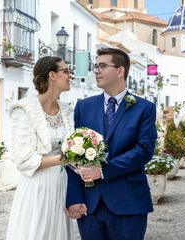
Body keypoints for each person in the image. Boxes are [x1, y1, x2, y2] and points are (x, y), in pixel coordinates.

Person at [66, 48, 157, 240]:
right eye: (95, 66)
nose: (96, 71)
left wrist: (103, 170)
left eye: (102, 66)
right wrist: (74, 198)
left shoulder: (144, 108)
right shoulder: (84, 106)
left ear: (120, 71)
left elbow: (144, 151)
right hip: (90, 204)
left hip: (129, 203)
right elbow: (73, 153)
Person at [6, 56, 78, 240]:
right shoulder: (24, 109)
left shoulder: (67, 110)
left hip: (62, 186)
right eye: (66, 71)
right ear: (52, 75)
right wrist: (66, 158)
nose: (70, 75)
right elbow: (24, 159)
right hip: (37, 187)